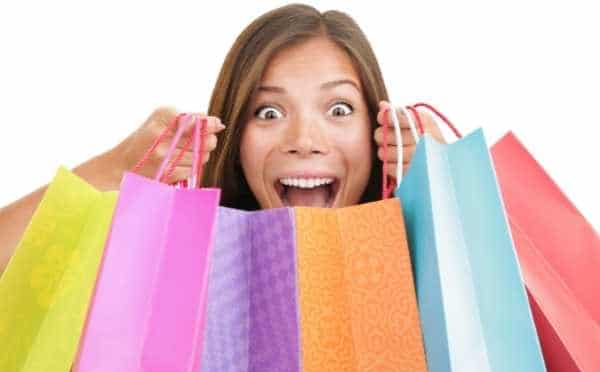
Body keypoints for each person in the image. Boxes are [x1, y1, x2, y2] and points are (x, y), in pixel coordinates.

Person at [0, 4, 444, 274]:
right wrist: (113, 170)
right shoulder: (175, 267)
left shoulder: (432, 265)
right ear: (233, 138)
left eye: (339, 109)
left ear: (378, 133)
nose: (305, 140)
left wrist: (447, 185)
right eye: (268, 111)